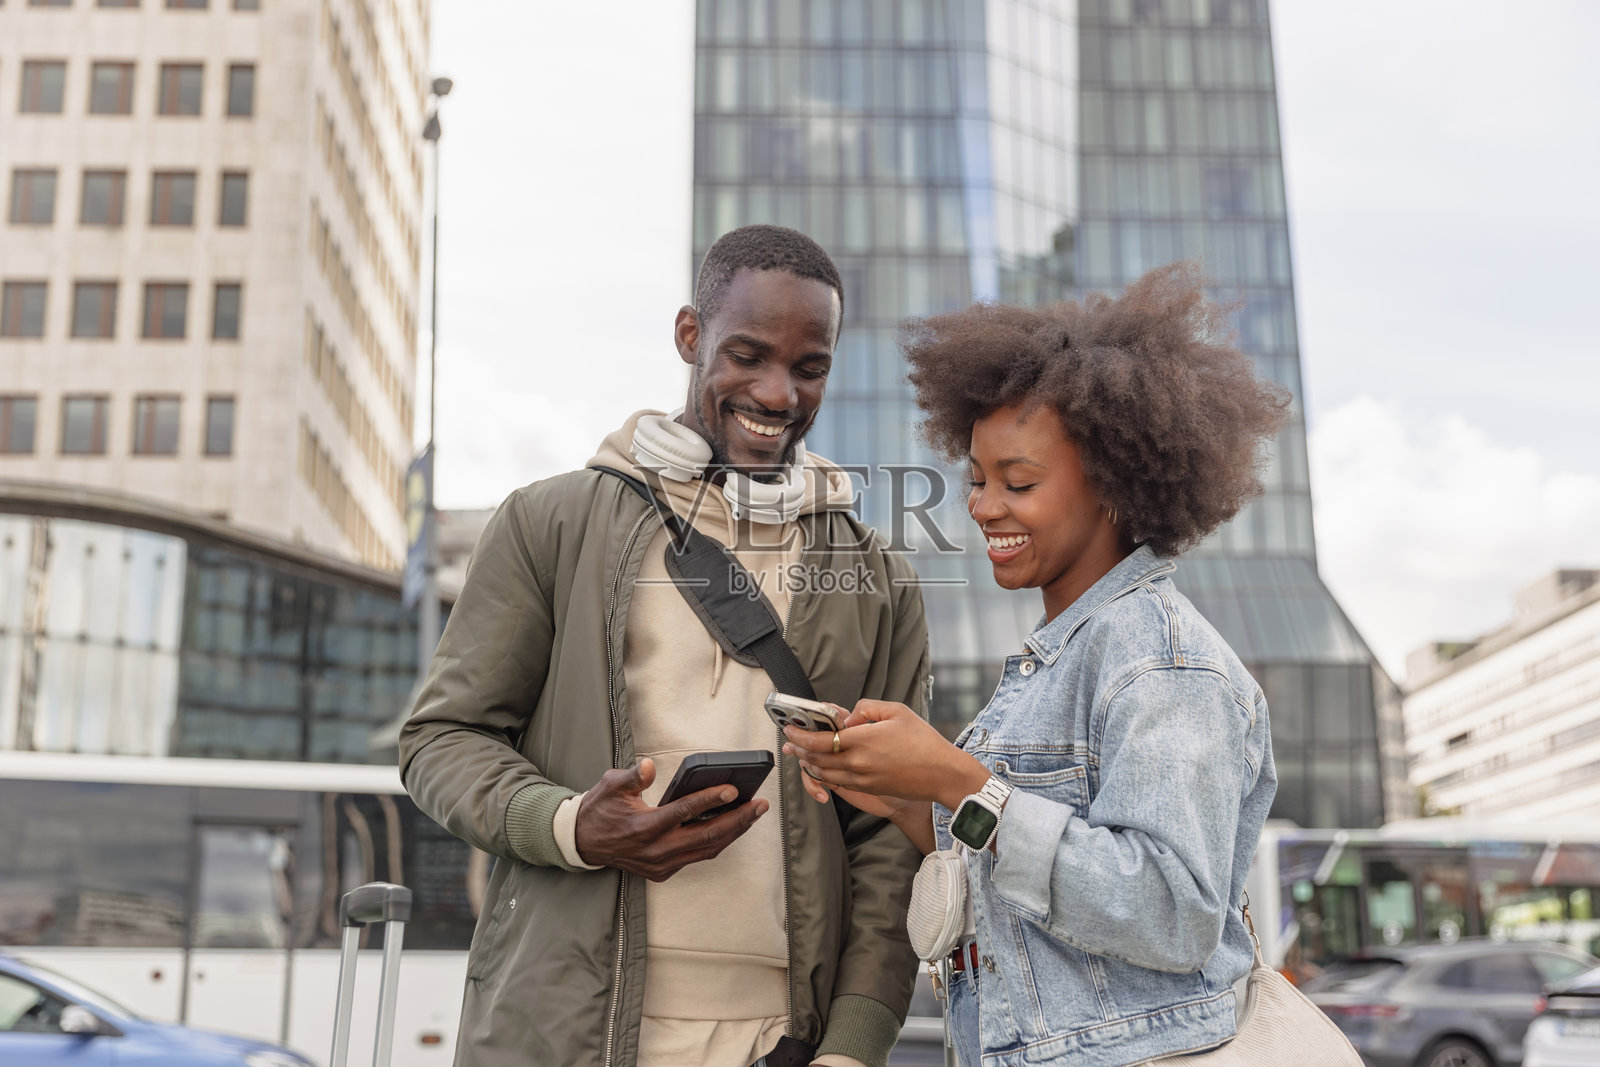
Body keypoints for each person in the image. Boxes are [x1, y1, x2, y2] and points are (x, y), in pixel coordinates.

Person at [399, 225, 930, 1067]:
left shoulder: (877, 577)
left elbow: (893, 834)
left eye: (809, 367)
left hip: (780, 1040)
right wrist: (572, 825)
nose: (777, 392)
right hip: (563, 1028)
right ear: (691, 336)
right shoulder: (549, 522)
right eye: (747, 354)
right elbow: (439, 740)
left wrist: (853, 1046)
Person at [782, 263, 1289, 1067]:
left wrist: (953, 777)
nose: (983, 505)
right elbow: (1007, 868)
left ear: (1116, 487)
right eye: (978, 479)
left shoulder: (1159, 659)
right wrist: (894, 789)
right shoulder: (1056, 662)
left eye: (1019, 482)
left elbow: (1171, 910)